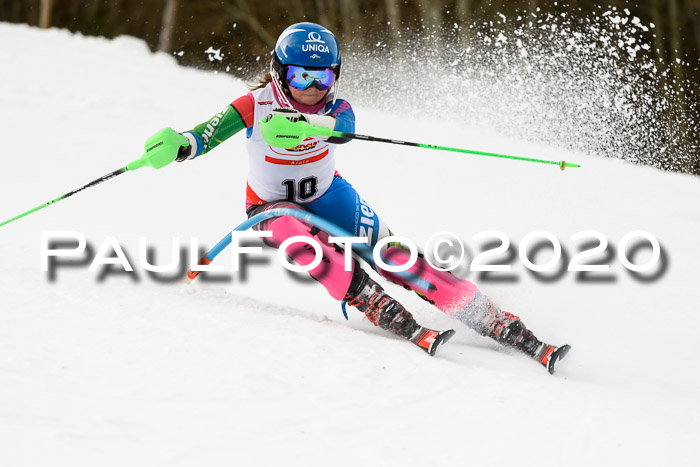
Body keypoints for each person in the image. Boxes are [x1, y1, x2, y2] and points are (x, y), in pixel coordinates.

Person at [150, 22, 570, 372]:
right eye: (301, 77)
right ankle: (365, 296)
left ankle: (491, 317)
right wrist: (181, 143)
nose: (314, 88)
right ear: (280, 73)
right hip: (269, 206)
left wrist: (312, 127)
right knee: (298, 238)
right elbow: (206, 134)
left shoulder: (337, 106)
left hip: (330, 195)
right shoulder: (253, 104)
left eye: (325, 77)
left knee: (398, 256)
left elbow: (344, 128)